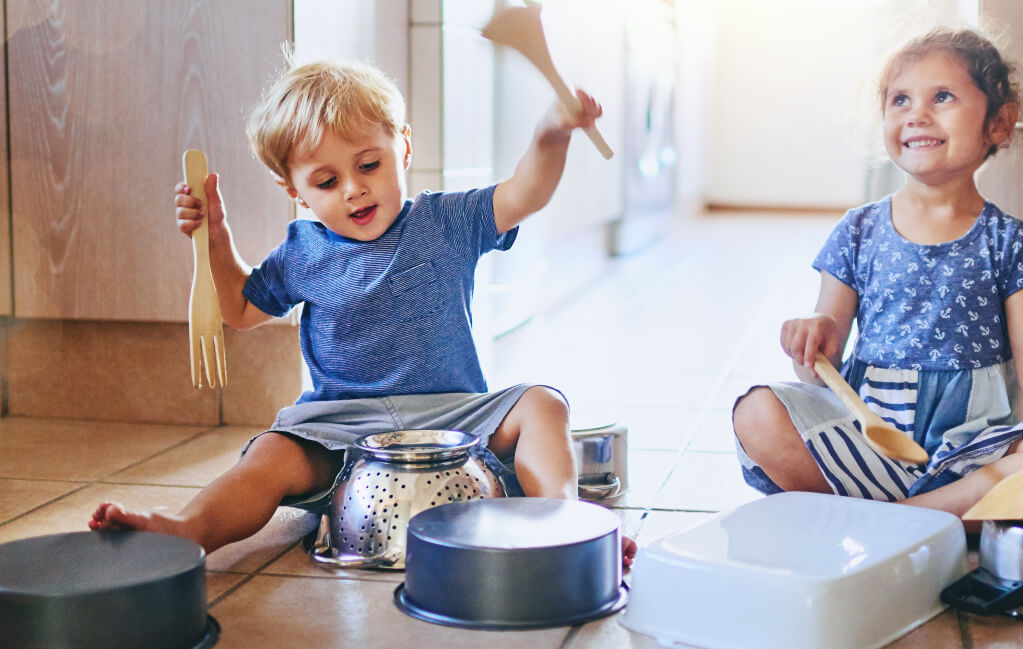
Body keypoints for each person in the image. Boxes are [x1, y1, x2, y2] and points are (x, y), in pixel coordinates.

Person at [90, 56, 635, 566]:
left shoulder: (448, 220)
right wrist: (215, 235)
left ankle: (562, 521)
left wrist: (552, 131)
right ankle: (189, 529)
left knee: (542, 404)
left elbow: (527, 192)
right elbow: (239, 309)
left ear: (403, 148)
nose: (353, 190)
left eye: (369, 165)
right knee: (269, 456)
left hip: (453, 419)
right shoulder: (302, 251)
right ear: (295, 191)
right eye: (326, 182)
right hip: (341, 429)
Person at [731, 28, 1023, 524]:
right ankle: (932, 521)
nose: (916, 113)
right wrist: (814, 339)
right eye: (900, 100)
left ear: (998, 123)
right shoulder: (857, 231)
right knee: (757, 412)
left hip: (973, 455)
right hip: (869, 439)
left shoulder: (1007, 242)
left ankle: (889, 520)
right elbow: (816, 369)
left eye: (942, 97)